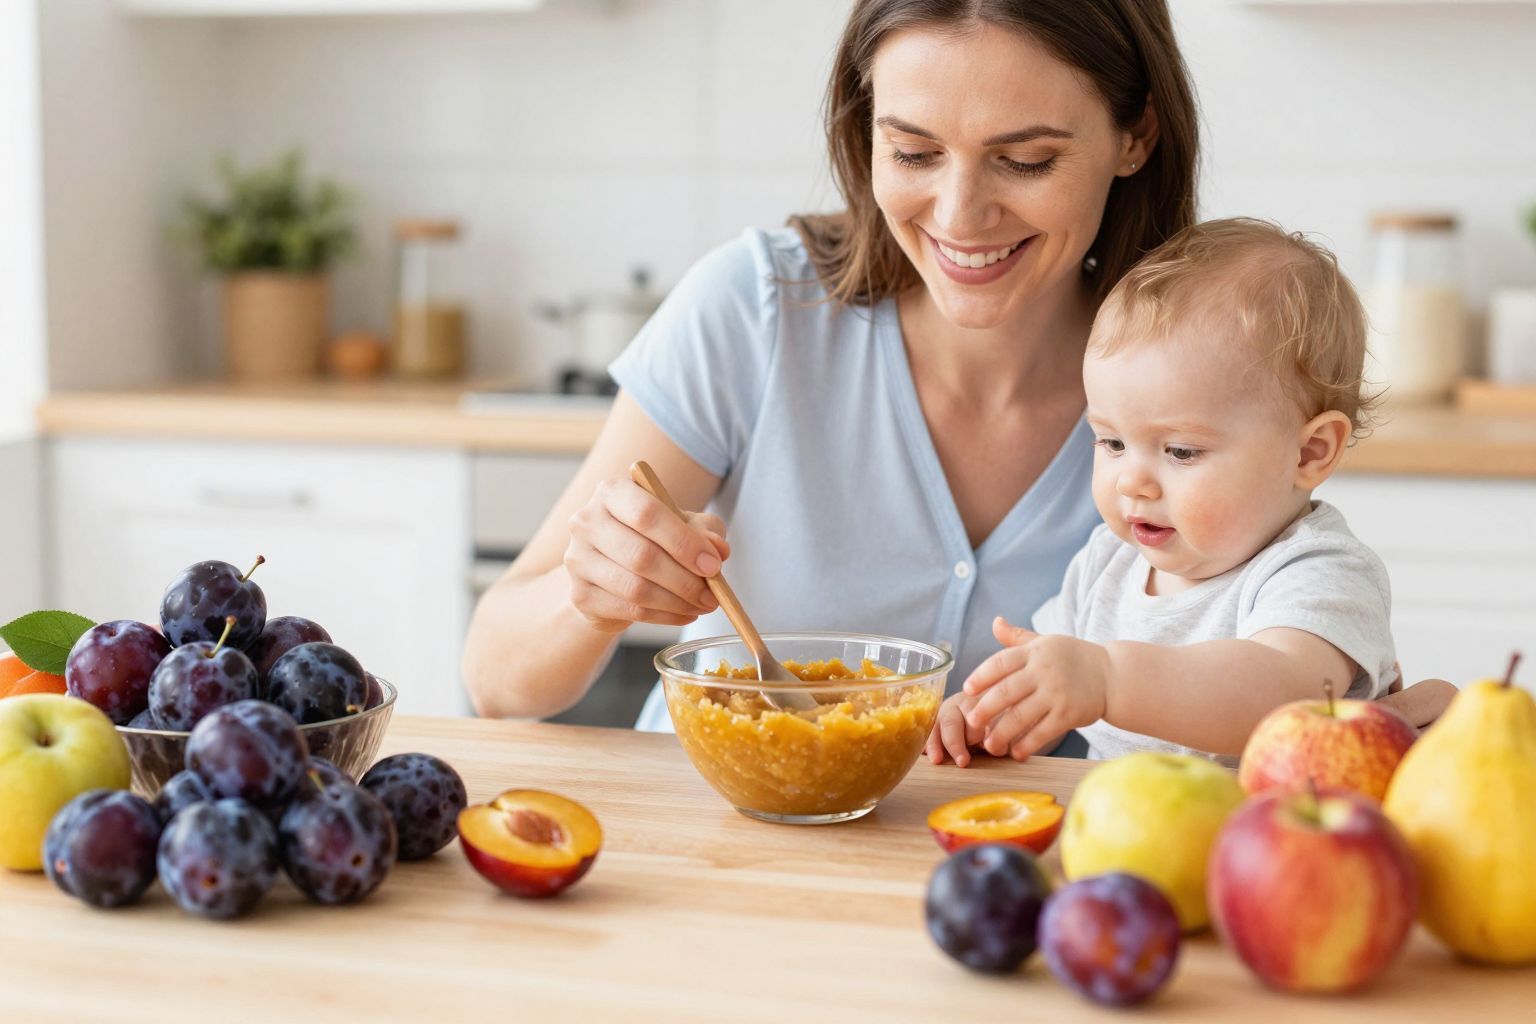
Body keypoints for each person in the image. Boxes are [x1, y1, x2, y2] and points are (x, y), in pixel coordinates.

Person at [461, 0, 1446, 740]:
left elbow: (1290, 677)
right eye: (914, 149)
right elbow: (499, 683)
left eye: (1024, 160)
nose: (960, 215)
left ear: (1134, 133)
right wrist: (591, 594)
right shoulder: (759, 308)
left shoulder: (1202, 374)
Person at [926, 219, 1459, 768]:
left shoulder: (1319, 570)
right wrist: (980, 714)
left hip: (1284, 839)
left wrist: (1107, 678)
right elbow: (1043, 685)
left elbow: (1280, 698)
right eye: (1110, 441)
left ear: (1310, 453)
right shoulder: (1106, 565)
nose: (1132, 480)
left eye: (1180, 452)